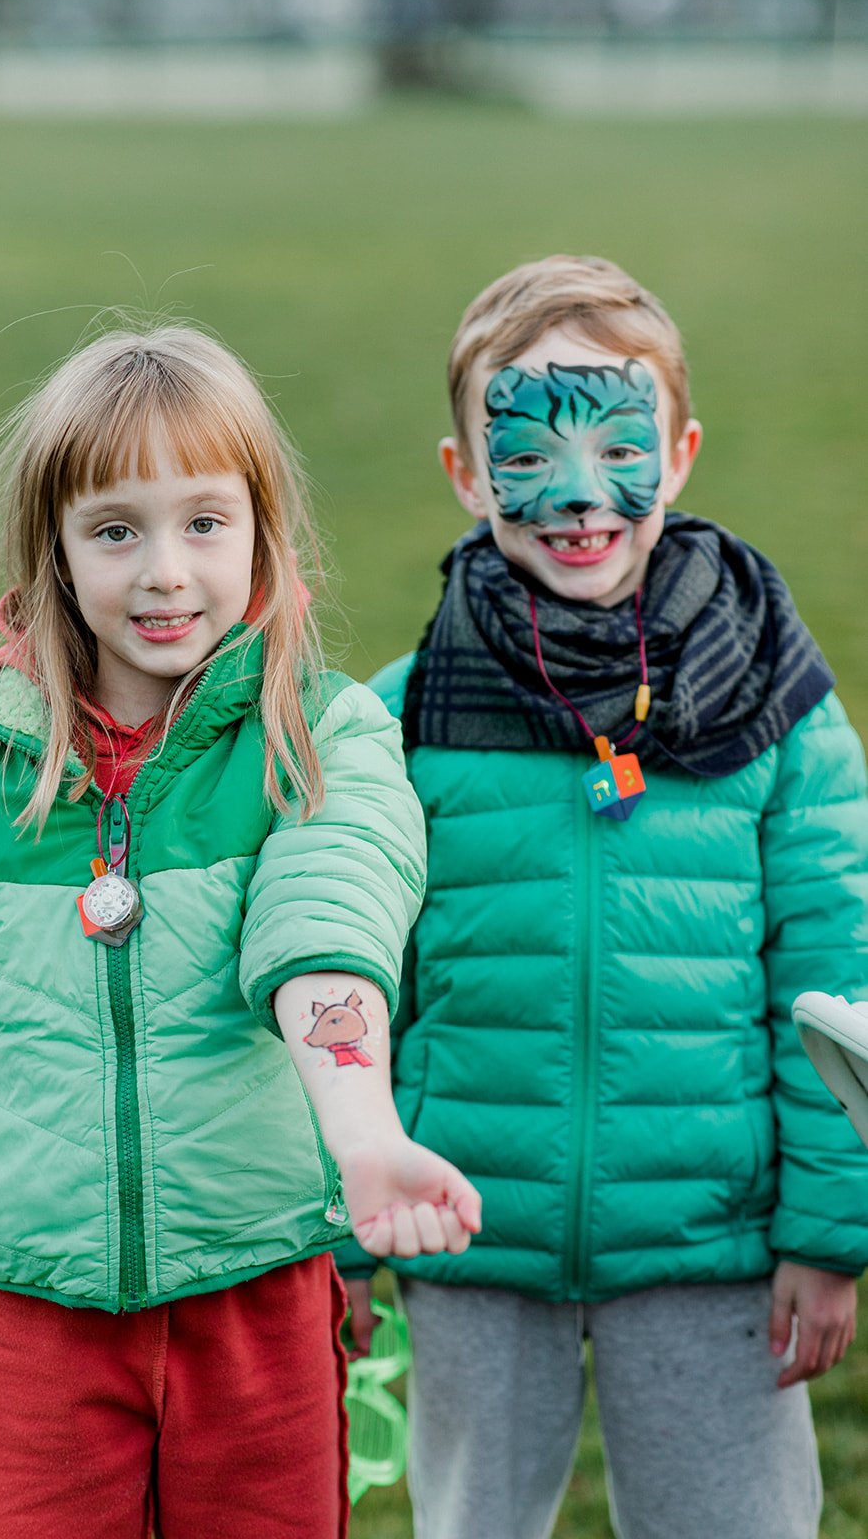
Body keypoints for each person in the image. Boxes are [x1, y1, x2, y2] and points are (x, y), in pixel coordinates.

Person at [0, 323, 482, 1539]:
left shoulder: (318, 739)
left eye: (204, 522)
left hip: (257, 1286)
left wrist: (364, 1134)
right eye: (116, 530)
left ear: (262, 534)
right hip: (30, 1315)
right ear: (55, 551)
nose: (166, 571)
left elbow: (323, 928)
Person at [342, 255, 868, 1539]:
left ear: (678, 453)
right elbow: (345, 987)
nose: (580, 497)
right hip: (464, 1234)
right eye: (527, 454)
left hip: (712, 1244)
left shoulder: (779, 707)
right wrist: (345, 1233)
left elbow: (833, 972)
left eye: (620, 448)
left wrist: (826, 1229)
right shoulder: (399, 718)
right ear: (464, 473)